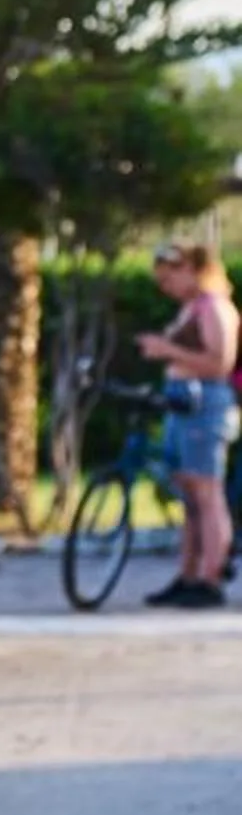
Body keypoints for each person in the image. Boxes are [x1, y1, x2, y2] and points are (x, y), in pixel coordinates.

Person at [137, 240, 240, 608]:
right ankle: (189, 573)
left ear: (193, 269)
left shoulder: (215, 308)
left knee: (208, 494)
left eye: (171, 277)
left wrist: (168, 350)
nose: (166, 287)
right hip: (181, 401)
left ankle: (210, 576)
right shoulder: (190, 309)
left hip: (205, 405)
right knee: (190, 496)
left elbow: (219, 364)